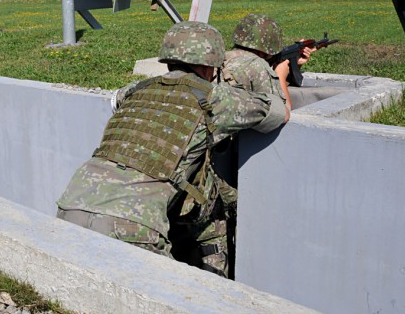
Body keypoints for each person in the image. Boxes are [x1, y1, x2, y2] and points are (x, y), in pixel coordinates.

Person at [56, 21, 290, 278]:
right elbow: (279, 112)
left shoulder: (135, 89)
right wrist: (279, 75)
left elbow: (117, 101)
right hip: (133, 225)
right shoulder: (215, 98)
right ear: (209, 66)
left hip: (69, 209)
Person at [215, 13, 314, 277]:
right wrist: (280, 75)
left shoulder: (223, 57)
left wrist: (294, 64)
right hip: (231, 171)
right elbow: (282, 111)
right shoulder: (258, 67)